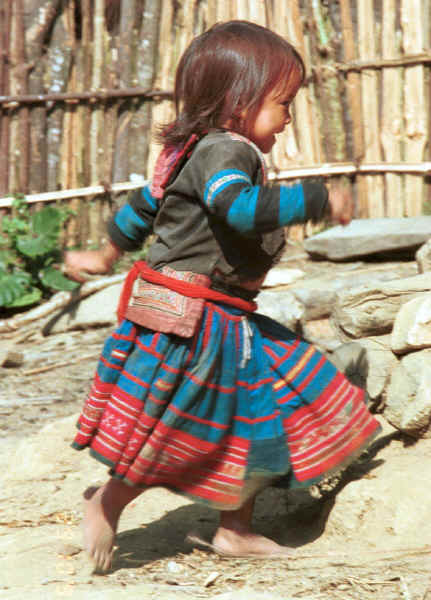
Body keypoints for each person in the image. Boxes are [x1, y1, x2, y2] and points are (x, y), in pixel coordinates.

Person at [65, 20, 380, 572]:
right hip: (196, 326)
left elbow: (144, 205)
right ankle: (107, 500)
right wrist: (313, 199)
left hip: (223, 320)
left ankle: (235, 530)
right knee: (180, 423)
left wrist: (106, 256)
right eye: (282, 103)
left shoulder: (190, 150)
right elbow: (234, 209)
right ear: (238, 103)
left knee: (262, 415)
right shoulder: (225, 154)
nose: (287, 118)